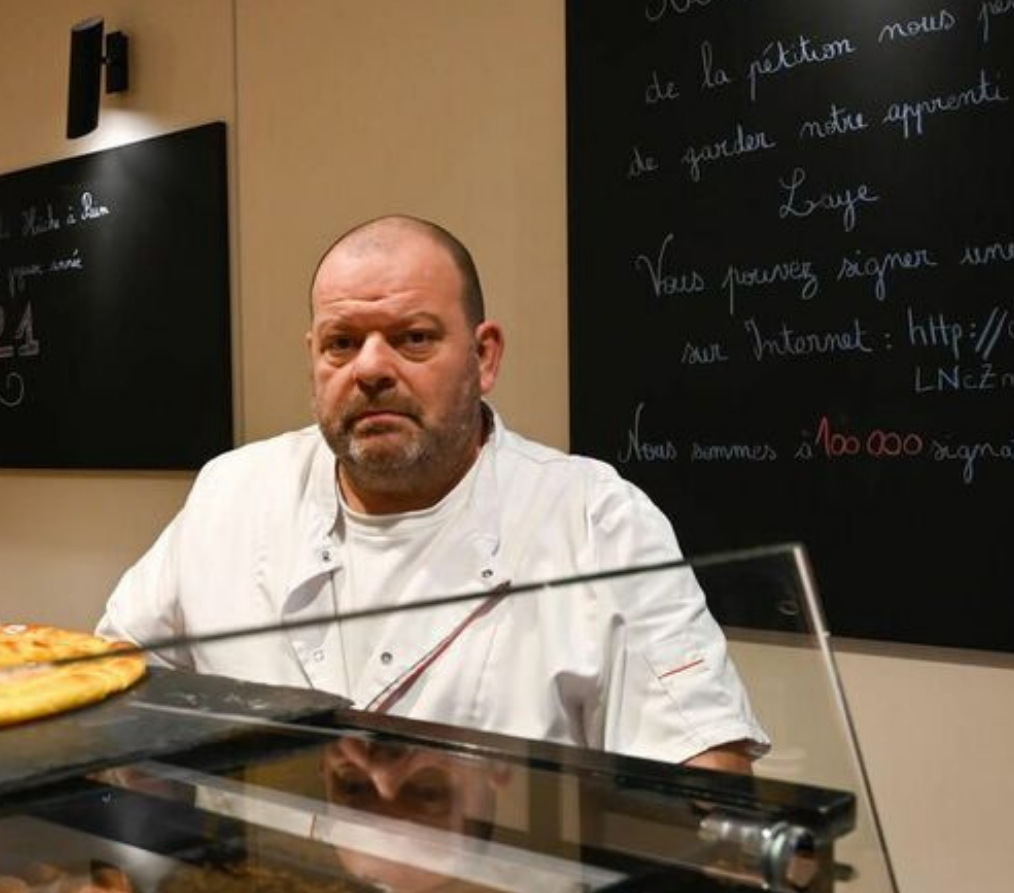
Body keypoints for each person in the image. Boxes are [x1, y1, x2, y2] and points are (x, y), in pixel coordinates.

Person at [99, 215, 765, 771]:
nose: (370, 370)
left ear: (485, 356)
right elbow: (113, 687)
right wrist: (139, 883)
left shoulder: (596, 520)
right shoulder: (233, 491)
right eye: (342, 343)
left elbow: (703, 777)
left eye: (413, 338)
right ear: (313, 358)